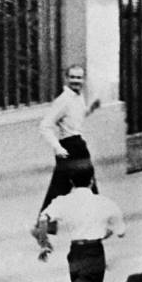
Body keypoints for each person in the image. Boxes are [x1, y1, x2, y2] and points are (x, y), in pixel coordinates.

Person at [33, 165, 125, 282]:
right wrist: (103, 232)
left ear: (71, 182)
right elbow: (121, 232)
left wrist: (44, 243)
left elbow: (43, 219)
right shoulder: (105, 202)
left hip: (75, 254)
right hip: (94, 253)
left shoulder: (63, 201)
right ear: (92, 180)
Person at [39, 65, 100, 211]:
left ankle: (45, 222)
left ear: (84, 80)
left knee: (79, 183)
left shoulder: (78, 97)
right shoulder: (64, 100)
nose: (75, 81)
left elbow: (74, 119)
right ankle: (45, 222)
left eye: (79, 78)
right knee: (64, 186)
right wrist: (57, 147)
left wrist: (90, 109)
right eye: (72, 77)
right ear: (66, 78)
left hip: (78, 143)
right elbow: (45, 125)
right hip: (69, 145)